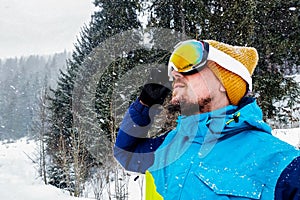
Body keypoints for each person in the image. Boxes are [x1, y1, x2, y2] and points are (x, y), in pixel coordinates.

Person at [113, 39, 300, 200]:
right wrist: (144, 104)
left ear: (225, 82)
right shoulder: (171, 143)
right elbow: (125, 152)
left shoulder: (283, 163)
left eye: (188, 66)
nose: (176, 75)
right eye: (174, 71)